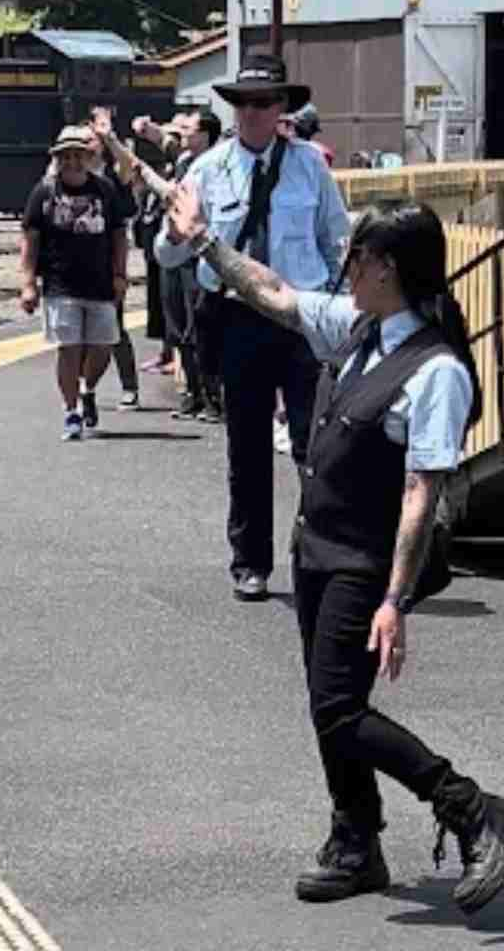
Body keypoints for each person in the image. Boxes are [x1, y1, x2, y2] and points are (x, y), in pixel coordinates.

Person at [162, 187, 504, 913]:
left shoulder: (436, 373)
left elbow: (421, 494)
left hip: (368, 562)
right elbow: (271, 292)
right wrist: (205, 241)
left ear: (387, 268)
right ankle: (356, 840)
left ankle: (474, 807)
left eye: (355, 255)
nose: (344, 265)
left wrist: (395, 600)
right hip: (319, 548)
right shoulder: (359, 328)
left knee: (336, 708)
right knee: (332, 703)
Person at [156, 52, 350, 601]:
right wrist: (176, 234)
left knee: (317, 442)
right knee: (247, 445)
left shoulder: (311, 166)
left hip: (299, 313)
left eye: (263, 103)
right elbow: (168, 255)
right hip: (237, 318)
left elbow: (335, 242)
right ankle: (250, 560)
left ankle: (322, 550)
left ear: (282, 108)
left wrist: (339, 312)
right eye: (242, 103)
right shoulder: (208, 170)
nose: (252, 113)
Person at [20, 126, 128, 440]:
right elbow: (30, 238)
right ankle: (71, 411)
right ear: (58, 159)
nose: (72, 162)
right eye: (66, 156)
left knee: (103, 348)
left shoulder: (105, 190)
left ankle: (87, 388)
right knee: (69, 349)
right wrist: (28, 283)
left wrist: (120, 275)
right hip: (59, 285)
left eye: (78, 156)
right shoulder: (44, 191)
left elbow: (120, 235)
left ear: (88, 158)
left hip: (101, 285)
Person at [140, 108, 224, 421]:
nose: (181, 133)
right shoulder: (184, 159)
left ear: (205, 134)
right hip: (174, 250)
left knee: (201, 326)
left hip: (200, 256)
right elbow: (162, 139)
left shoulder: (216, 166)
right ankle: (192, 394)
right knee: (178, 326)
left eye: (188, 128)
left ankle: (213, 395)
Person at [85, 108, 140, 412]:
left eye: (94, 139)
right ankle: (84, 389)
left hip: (108, 257)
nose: (90, 144)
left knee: (113, 326)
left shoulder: (113, 170)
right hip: (76, 259)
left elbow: (129, 165)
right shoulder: (69, 169)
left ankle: (129, 386)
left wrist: (111, 137)